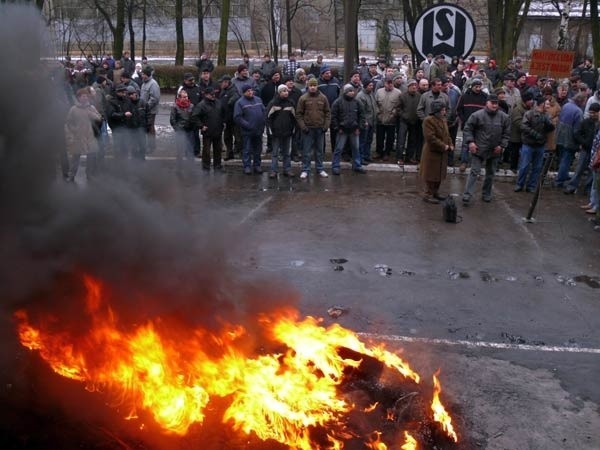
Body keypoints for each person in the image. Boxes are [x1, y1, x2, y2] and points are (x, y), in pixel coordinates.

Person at [461, 94, 511, 205]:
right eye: (492, 102)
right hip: (478, 149)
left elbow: (507, 134)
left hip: (495, 150)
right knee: (474, 172)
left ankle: (486, 193)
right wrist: (471, 142)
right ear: (486, 103)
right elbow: (467, 129)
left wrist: (502, 146)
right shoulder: (476, 115)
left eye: (496, 103)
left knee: (490, 173)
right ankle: (467, 195)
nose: (494, 105)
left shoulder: (504, 117)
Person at [514, 96, 555, 193]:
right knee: (524, 166)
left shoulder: (547, 116)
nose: (549, 106)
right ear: (542, 104)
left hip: (540, 146)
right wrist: (534, 134)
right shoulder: (529, 114)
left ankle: (531, 186)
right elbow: (523, 126)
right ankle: (519, 184)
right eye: (547, 104)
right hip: (528, 144)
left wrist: (549, 125)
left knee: (537, 168)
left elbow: (550, 129)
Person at [64, 88, 103, 181]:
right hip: (78, 136)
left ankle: (89, 175)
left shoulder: (91, 107)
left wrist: (91, 113)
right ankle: (72, 176)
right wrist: (73, 132)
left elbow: (99, 118)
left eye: (86, 96)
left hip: (90, 136)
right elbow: (68, 122)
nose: (85, 98)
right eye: (82, 96)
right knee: (75, 157)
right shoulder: (73, 109)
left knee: (91, 156)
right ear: (78, 98)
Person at [296, 77, 331, 179]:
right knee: (306, 151)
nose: (312, 87)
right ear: (308, 86)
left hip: (320, 129)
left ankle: (320, 168)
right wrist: (303, 127)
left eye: (314, 85)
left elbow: (328, 113)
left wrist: (326, 126)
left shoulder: (323, 98)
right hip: (308, 129)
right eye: (311, 85)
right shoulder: (303, 98)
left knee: (319, 151)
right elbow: (299, 114)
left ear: (317, 86)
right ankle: (305, 169)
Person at [420, 100, 454, 203]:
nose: (444, 112)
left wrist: (451, 144)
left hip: (442, 153)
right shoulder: (428, 120)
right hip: (432, 152)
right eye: (443, 110)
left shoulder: (443, 120)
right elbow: (430, 138)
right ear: (437, 111)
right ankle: (428, 194)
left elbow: (447, 135)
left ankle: (435, 192)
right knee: (431, 175)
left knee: (438, 174)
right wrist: (445, 146)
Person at [563, 103, 600, 194]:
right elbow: (577, 133)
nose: (592, 115)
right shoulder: (586, 122)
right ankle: (572, 186)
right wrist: (584, 142)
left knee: (592, 171)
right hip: (586, 149)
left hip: (596, 151)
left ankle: (588, 189)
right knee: (579, 169)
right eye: (590, 112)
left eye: (594, 113)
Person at [331, 84, 366, 175]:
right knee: (338, 148)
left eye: (353, 91)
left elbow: (362, 116)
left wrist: (359, 127)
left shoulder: (357, 102)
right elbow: (333, 116)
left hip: (354, 130)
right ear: (345, 92)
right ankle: (335, 166)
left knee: (356, 148)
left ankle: (357, 165)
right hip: (342, 130)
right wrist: (337, 127)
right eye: (350, 91)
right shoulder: (338, 102)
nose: (352, 92)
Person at [554, 93, 588, 187]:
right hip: (569, 140)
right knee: (566, 161)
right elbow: (577, 130)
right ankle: (560, 181)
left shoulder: (566, 105)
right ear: (581, 101)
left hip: (560, 136)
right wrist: (581, 141)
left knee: (562, 159)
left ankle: (562, 176)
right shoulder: (578, 112)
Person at [234, 84, 266, 174]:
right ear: (244, 92)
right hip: (247, 131)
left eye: (251, 90)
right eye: (248, 91)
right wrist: (247, 125)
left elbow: (263, 111)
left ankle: (257, 165)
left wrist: (263, 123)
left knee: (258, 149)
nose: (250, 92)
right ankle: (247, 166)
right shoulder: (240, 102)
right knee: (247, 149)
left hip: (258, 130)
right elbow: (237, 117)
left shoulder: (258, 100)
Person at [456, 78, 487, 172]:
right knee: (465, 144)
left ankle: (476, 163)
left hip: (480, 125)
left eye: (479, 86)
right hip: (467, 125)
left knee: (478, 144)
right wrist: (463, 119)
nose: (478, 89)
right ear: (472, 86)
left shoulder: (485, 97)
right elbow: (459, 109)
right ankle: (464, 162)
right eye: (476, 86)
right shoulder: (465, 96)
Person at [266, 84, 296, 178]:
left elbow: (294, 118)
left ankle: (287, 169)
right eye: (283, 91)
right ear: (279, 92)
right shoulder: (273, 103)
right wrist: (270, 131)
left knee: (287, 153)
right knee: (275, 153)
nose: (285, 92)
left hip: (287, 132)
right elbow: (268, 118)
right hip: (276, 133)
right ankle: (274, 170)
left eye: (286, 91)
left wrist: (294, 129)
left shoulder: (291, 103)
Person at [192, 86, 224, 171]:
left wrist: (223, 123)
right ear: (206, 95)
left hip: (218, 130)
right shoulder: (201, 105)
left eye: (214, 94)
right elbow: (194, 117)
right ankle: (206, 167)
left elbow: (222, 114)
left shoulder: (218, 102)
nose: (213, 95)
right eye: (211, 94)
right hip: (207, 131)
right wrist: (201, 126)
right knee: (206, 151)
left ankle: (218, 166)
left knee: (218, 150)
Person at [374, 76, 401, 161]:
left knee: (390, 138)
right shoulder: (379, 91)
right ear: (384, 83)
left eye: (391, 83)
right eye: (388, 83)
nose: (390, 85)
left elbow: (399, 106)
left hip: (391, 120)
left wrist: (393, 114)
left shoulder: (398, 92)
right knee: (379, 137)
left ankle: (387, 153)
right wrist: (378, 113)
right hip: (380, 118)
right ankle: (379, 152)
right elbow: (375, 103)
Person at [396, 79, 422, 165]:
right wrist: (404, 116)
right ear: (408, 87)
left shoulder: (419, 96)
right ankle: (399, 158)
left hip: (414, 121)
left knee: (412, 140)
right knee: (401, 140)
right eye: (412, 85)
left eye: (415, 85)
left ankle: (409, 157)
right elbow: (398, 108)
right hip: (404, 121)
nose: (414, 87)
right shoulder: (402, 96)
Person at [170, 89, 196, 172]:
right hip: (180, 131)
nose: (186, 98)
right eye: (184, 97)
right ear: (179, 98)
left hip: (190, 130)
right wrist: (177, 129)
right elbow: (172, 120)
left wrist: (193, 126)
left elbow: (194, 117)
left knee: (190, 149)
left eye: (187, 97)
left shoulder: (191, 106)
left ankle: (190, 167)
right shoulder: (175, 107)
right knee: (180, 150)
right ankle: (179, 168)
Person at [107, 84, 134, 159]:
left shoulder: (127, 100)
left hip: (125, 126)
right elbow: (111, 114)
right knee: (118, 147)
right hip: (117, 128)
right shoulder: (112, 101)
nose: (124, 94)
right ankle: (118, 163)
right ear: (117, 92)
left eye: (125, 92)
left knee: (125, 146)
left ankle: (125, 163)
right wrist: (123, 115)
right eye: (122, 92)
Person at [218, 75, 241, 160]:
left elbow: (236, 98)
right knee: (227, 138)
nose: (221, 84)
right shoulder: (223, 91)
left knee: (238, 137)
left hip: (234, 119)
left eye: (222, 82)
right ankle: (229, 153)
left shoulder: (233, 90)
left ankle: (239, 153)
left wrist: (229, 102)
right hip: (226, 119)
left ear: (227, 82)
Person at [356, 79, 378, 164]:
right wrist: (364, 121)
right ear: (365, 86)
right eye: (370, 86)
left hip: (371, 121)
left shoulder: (371, 94)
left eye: (372, 85)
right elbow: (361, 111)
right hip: (365, 123)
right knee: (362, 141)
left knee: (369, 140)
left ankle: (367, 155)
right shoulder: (361, 96)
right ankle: (361, 158)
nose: (372, 87)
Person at [140, 66, 160, 154]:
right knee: (147, 127)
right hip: (144, 109)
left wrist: (147, 106)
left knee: (150, 128)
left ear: (147, 75)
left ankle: (151, 146)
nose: (142, 75)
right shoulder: (144, 83)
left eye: (143, 74)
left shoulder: (153, 84)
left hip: (150, 110)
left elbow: (155, 98)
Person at [126, 86, 148, 161]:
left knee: (142, 144)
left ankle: (142, 158)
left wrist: (147, 125)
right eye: (128, 95)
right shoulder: (128, 103)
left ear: (135, 93)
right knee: (133, 144)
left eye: (131, 94)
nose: (130, 96)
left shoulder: (142, 102)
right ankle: (134, 159)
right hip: (132, 128)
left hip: (141, 127)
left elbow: (148, 114)